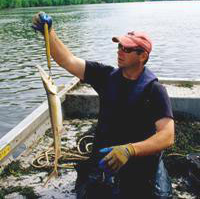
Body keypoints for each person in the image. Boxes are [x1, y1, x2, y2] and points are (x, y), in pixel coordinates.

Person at [32, 12, 175, 199]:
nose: (120, 51)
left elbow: (167, 136)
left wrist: (129, 150)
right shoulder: (105, 76)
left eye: (127, 49)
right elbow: (68, 60)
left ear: (142, 56)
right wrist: (49, 33)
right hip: (106, 155)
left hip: (140, 160)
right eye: (119, 46)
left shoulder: (155, 90)